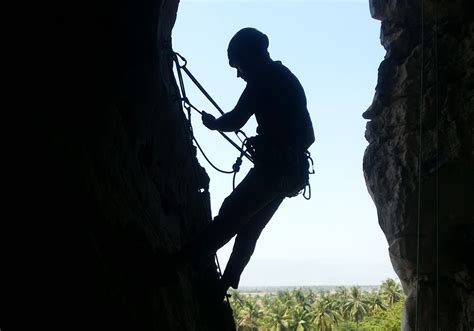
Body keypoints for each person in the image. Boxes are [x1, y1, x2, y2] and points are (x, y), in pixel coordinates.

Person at [180, 27, 315, 301]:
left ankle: (182, 264)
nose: (239, 73)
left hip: (275, 168)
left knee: (232, 215)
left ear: (250, 56)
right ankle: (221, 287)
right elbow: (307, 134)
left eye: (238, 65)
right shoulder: (286, 77)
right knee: (251, 228)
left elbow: (236, 120)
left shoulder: (263, 78)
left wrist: (213, 124)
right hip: (291, 171)